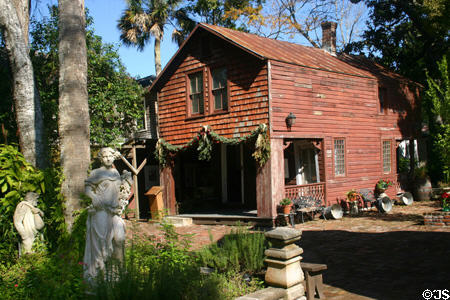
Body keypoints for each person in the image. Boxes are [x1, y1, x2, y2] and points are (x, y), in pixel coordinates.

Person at [83, 147, 131, 281]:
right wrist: (93, 197)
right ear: (101, 158)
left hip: (114, 212)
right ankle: (101, 274)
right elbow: (87, 188)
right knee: (101, 242)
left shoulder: (115, 173)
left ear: (113, 157)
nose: (108, 158)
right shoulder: (96, 172)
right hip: (101, 211)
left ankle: (120, 271)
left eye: (110, 156)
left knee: (119, 239)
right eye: (105, 156)